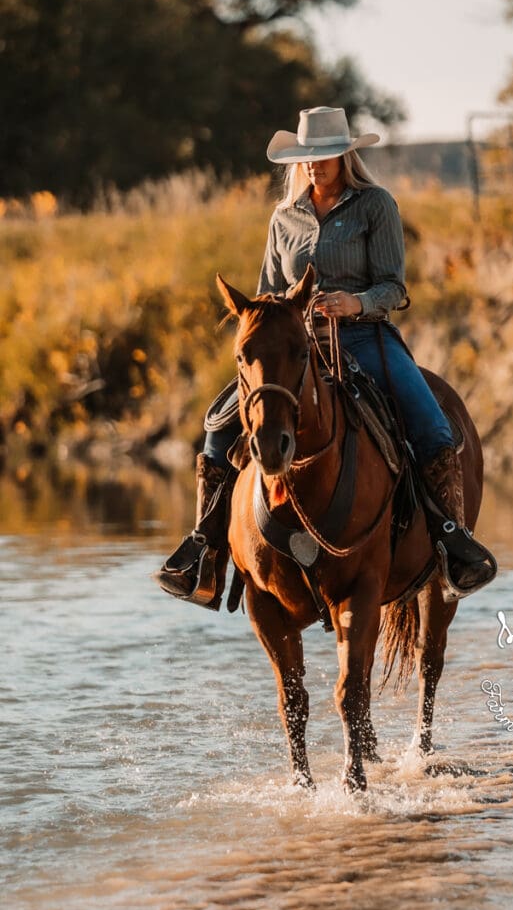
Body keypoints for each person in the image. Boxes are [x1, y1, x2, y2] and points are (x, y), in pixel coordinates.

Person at [154, 106, 493, 606]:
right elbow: (269, 291)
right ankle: (204, 549)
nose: (315, 165)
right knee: (217, 427)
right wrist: (274, 318)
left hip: (363, 336)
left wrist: (354, 302)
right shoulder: (284, 217)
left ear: (345, 156)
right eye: (307, 157)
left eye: (325, 155)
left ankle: (451, 543)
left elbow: (393, 286)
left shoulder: (375, 205)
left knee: (433, 426)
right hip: (292, 344)